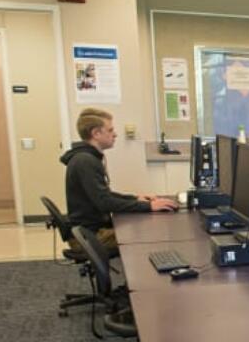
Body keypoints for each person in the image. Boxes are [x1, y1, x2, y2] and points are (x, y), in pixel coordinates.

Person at [61, 108, 177, 256]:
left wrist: (135, 199)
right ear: (96, 133)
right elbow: (104, 202)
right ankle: (145, 277)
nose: (115, 134)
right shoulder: (86, 161)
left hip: (89, 230)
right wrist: (148, 206)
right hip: (89, 236)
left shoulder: (85, 157)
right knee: (150, 234)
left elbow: (104, 195)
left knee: (142, 227)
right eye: (110, 130)